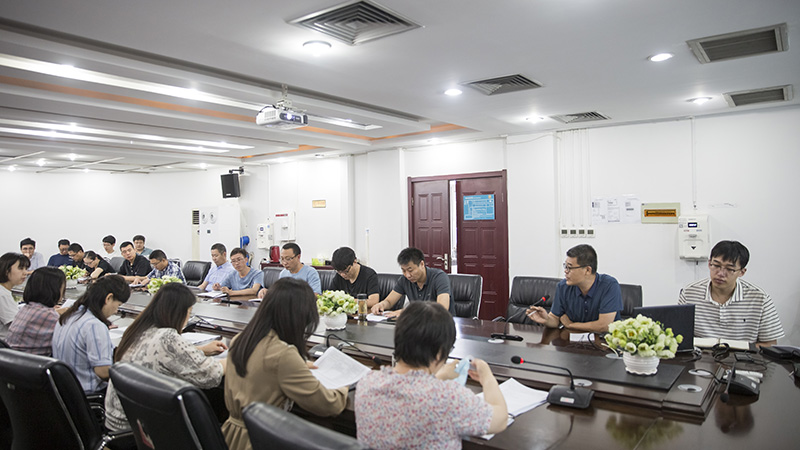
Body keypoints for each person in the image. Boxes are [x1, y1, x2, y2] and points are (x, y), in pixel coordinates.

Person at [356, 301, 507, 449]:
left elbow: (413, 393)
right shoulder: (448, 398)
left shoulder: (367, 383)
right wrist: (487, 377)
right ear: (439, 353)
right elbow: (500, 420)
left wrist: (437, 377)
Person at [222, 278, 347, 450]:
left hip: (231, 437)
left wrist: (297, 364)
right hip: (260, 441)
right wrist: (345, 384)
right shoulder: (283, 355)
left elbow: (266, 369)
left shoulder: (240, 339)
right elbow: (329, 405)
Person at [104, 283, 227, 432]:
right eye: (189, 312)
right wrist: (235, 357)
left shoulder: (138, 329)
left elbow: (155, 352)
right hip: (140, 431)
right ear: (179, 312)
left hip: (118, 422)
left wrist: (200, 350)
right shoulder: (167, 337)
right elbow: (210, 374)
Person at [678, 240, 784, 347]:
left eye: (729, 269)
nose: (720, 273)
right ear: (709, 264)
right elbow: (679, 336)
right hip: (700, 355)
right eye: (716, 265)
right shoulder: (689, 293)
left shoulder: (760, 299)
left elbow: (770, 344)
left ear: (742, 272)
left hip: (745, 356)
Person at [52, 275, 130, 393]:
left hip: (65, 391)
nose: (116, 311)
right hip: (89, 394)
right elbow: (102, 371)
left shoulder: (69, 316)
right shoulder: (94, 325)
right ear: (109, 298)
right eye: (118, 305)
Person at [527, 244, 622, 333]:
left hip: (604, 341)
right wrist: (546, 319)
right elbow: (555, 319)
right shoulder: (563, 287)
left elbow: (604, 326)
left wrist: (571, 325)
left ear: (587, 270)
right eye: (565, 266)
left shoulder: (609, 285)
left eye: (570, 267)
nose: (565, 271)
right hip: (572, 341)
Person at [371, 247, 452, 317]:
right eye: (403, 271)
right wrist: (381, 305)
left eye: (410, 270)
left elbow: (441, 308)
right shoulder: (404, 280)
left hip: (441, 324)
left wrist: (407, 312)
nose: (407, 275)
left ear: (422, 264)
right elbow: (389, 301)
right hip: (419, 324)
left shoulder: (439, 277)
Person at [6, 267, 65, 355]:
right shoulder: (50, 316)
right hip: (31, 362)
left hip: (11, 359)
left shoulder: (26, 308)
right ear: (55, 289)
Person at [0, 253, 31, 339]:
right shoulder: (2, 295)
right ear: (6, 270)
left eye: (26, 268)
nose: (25, 272)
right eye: (20, 268)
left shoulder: (5, 291)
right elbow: (18, 325)